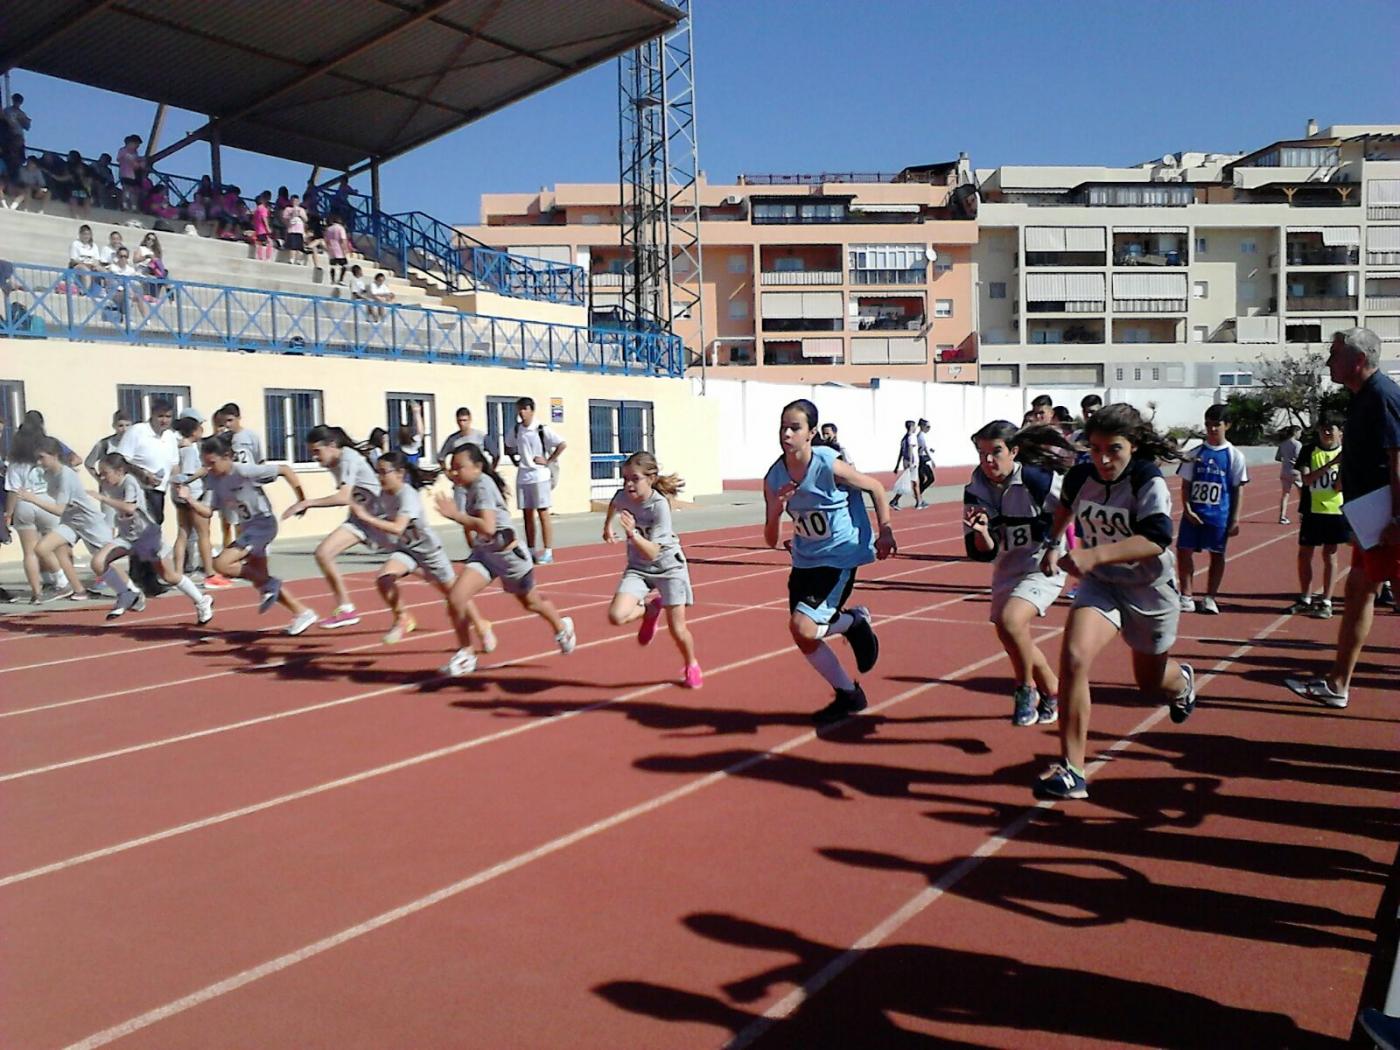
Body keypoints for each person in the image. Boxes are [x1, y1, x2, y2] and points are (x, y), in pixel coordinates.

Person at [1031, 403, 1197, 801]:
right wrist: (1053, 543)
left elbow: (1156, 538)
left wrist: (1094, 554)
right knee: (1074, 658)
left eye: (1114, 450)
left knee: (1150, 682)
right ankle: (1072, 770)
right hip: (1102, 585)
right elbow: (1064, 508)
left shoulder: (1146, 479)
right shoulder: (1081, 476)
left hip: (1148, 588)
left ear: (1133, 446)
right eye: (1095, 449)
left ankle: (1182, 684)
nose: (1103, 460)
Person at [1286, 328, 1400, 709]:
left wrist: (1398, 518)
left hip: (1387, 521)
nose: (1328, 361)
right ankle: (1338, 684)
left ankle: (1338, 683)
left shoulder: (1383, 396)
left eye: (1335, 354)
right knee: (1356, 592)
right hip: (1370, 519)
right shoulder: (1364, 397)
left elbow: (1398, 460)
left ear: (1358, 360)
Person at [764, 399, 896, 725]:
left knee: (803, 625)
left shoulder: (827, 465)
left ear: (811, 433)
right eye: (783, 427)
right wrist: (776, 510)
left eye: (795, 428)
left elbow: (876, 487)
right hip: (805, 560)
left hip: (839, 555)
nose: (786, 434)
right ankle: (849, 693)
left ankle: (854, 623)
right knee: (803, 635)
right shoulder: (774, 478)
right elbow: (769, 539)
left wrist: (885, 531)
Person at [433, 444, 576, 677]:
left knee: (531, 603)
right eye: (452, 468)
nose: (454, 472)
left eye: (459, 467)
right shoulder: (466, 487)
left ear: (478, 467)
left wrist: (456, 516)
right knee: (456, 598)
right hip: (485, 555)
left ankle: (562, 627)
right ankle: (466, 654)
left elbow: (488, 527)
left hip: (509, 557)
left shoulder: (483, 485)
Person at [963, 420, 1065, 727]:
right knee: (1010, 633)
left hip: (1041, 564)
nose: (988, 460)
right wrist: (982, 532)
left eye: (996, 452)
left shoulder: (1037, 478)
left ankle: (1025, 689)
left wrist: (1055, 546)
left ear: (1014, 452)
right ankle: (1053, 689)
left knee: (1011, 621)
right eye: (982, 453)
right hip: (1007, 566)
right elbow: (983, 552)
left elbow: (1070, 507)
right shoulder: (976, 489)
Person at [347, 452, 494, 648]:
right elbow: (381, 522)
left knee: (455, 594)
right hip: (407, 551)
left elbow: (398, 527)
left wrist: (366, 517)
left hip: (429, 552)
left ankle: (481, 625)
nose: (379, 477)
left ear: (399, 473)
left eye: (383, 472)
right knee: (384, 579)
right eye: (377, 472)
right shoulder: (383, 495)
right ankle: (403, 617)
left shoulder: (408, 495)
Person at [177, 434, 317, 636]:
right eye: (205, 464)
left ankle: (271, 584)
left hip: (263, 525)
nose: (209, 468)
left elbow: (285, 470)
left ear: (227, 456)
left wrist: (301, 500)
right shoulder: (215, 481)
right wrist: (189, 499)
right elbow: (207, 511)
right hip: (247, 527)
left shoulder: (244, 471)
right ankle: (302, 612)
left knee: (221, 564)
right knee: (261, 580)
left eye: (212, 463)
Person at [604, 451, 701, 688]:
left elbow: (653, 552)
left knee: (677, 629)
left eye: (634, 479)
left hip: (668, 567)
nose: (628, 484)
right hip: (638, 567)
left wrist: (631, 533)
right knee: (616, 616)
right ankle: (649, 610)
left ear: (651, 478)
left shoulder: (659, 506)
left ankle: (691, 664)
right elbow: (614, 504)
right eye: (625, 478)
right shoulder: (623, 496)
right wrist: (607, 526)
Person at [82, 452, 214, 623]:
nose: (102, 477)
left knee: (168, 575)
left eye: (105, 473)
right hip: (127, 536)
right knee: (98, 562)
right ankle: (127, 594)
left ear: (119, 471)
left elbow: (129, 508)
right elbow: (89, 467)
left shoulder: (129, 482)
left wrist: (101, 498)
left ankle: (202, 601)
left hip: (147, 536)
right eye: (100, 474)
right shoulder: (109, 483)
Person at [281, 424, 385, 628]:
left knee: (413, 563)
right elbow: (351, 496)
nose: (315, 457)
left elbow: (343, 497)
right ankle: (346, 608)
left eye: (317, 451)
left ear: (332, 445)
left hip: (380, 519)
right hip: (360, 519)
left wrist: (306, 503)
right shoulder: (334, 462)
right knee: (323, 553)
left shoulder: (348, 458)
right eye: (311, 453)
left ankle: (447, 588)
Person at [1175, 404, 1249, 615]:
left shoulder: (1234, 456)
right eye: (1208, 425)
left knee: (1217, 554)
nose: (1212, 429)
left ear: (1227, 425)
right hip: (1194, 513)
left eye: (1217, 425)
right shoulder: (1195, 453)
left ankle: (1210, 597)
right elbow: (1186, 484)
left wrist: (1235, 519)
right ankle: (1186, 596)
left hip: (1219, 515)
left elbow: (1238, 489)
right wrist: (1187, 509)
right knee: (1184, 551)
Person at [116, 399, 180, 595]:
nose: (164, 420)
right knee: (144, 534)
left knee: (152, 532)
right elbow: (121, 460)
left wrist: (179, 485)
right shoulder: (137, 431)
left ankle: (144, 577)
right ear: (151, 415)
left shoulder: (170, 436)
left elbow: (174, 465)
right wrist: (142, 473)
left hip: (159, 491)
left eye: (168, 416)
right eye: (160, 416)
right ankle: (144, 579)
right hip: (140, 490)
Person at [1289, 414, 1348, 619]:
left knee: (1330, 555)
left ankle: (1326, 601)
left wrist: (1341, 469)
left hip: (1335, 511)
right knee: (1305, 554)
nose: (1326, 432)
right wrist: (1331, 464)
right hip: (1311, 509)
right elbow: (1307, 479)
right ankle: (1305, 597)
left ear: (1340, 432)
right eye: (1323, 428)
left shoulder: (1347, 453)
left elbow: (1339, 486)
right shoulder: (1308, 451)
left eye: (1331, 428)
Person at [4, 420, 66, 601]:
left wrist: (8, 513)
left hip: (24, 504)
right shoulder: (44, 460)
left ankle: (36, 593)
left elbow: (13, 491)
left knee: (29, 552)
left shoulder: (15, 462)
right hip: (47, 502)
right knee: (53, 546)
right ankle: (61, 581)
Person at [170, 413, 228, 587]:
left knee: (183, 533)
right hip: (193, 494)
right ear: (193, 431)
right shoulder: (188, 450)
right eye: (199, 428)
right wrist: (202, 471)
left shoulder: (180, 447)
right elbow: (186, 475)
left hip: (180, 494)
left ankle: (178, 573)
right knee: (203, 534)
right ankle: (209, 573)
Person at [508, 397, 565, 564]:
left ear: (531, 410)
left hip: (540, 476)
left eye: (525, 408)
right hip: (523, 476)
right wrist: (514, 459)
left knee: (543, 513)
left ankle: (548, 551)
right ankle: (531, 550)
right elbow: (508, 445)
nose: (521, 412)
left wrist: (548, 460)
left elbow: (562, 443)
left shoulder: (541, 429)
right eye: (519, 409)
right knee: (527, 514)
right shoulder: (516, 429)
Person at [438, 406, 491, 511]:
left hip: (477, 479)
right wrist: (448, 473)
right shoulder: (453, 439)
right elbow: (441, 457)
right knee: (461, 512)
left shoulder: (480, 436)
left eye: (464, 420)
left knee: (480, 509)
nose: (462, 423)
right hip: (461, 482)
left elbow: (496, 454)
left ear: (470, 420)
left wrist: (490, 471)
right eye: (460, 421)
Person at [1275, 425, 1303, 524]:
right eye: (1300, 432)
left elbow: (1277, 458)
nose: (1300, 435)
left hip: (1285, 471)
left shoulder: (1282, 444)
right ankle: (1303, 515)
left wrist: (1286, 460)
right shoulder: (1297, 444)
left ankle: (1282, 516)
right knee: (1303, 495)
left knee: (1285, 494)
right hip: (1295, 472)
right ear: (1295, 432)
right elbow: (1299, 457)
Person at [68, 224, 104, 293]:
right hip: (77, 266)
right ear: (80, 234)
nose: (86, 236)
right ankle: (85, 291)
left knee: (103, 270)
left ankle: (106, 290)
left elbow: (97, 260)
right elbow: (73, 260)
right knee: (85, 270)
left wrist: (94, 265)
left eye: (88, 234)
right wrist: (85, 264)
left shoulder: (94, 246)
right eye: (84, 234)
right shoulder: (75, 244)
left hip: (91, 265)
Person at [891, 419, 918, 510]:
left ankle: (919, 500)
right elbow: (910, 450)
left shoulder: (904, 438)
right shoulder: (911, 437)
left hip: (905, 461)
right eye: (914, 426)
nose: (915, 428)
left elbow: (901, 452)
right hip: (910, 462)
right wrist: (911, 462)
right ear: (911, 427)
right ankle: (895, 500)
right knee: (908, 483)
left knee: (910, 482)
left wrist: (897, 465)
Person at [116, 134, 144, 212]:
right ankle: (124, 205)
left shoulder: (135, 152)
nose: (137, 146)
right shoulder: (123, 150)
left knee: (133, 191)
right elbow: (120, 159)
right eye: (136, 144)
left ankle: (133, 206)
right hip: (125, 173)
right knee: (126, 189)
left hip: (133, 174)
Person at [324, 214, 351, 285]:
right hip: (339, 249)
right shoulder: (340, 228)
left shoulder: (328, 229)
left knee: (333, 266)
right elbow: (343, 240)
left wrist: (328, 248)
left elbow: (326, 240)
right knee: (344, 265)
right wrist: (345, 249)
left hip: (331, 249)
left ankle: (332, 280)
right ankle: (341, 279)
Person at [282, 195, 308, 264]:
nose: (294, 202)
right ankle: (292, 259)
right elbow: (284, 218)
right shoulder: (288, 209)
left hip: (300, 230)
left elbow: (306, 219)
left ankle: (299, 260)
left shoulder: (301, 210)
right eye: (293, 201)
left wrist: (300, 215)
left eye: (296, 201)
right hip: (292, 229)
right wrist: (291, 215)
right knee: (292, 246)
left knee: (299, 246)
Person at [916, 418, 935, 508]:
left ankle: (919, 498)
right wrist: (932, 459)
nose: (929, 429)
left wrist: (930, 450)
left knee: (922, 479)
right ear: (922, 426)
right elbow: (924, 449)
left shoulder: (921, 436)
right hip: (922, 460)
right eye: (927, 427)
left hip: (922, 459)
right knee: (930, 478)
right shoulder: (921, 436)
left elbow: (924, 448)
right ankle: (918, 496)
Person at [251, 192, 274, 262]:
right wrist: (268, 228)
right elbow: (264, 219)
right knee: (270, 242)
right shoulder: (263, 209)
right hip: (263, 229)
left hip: (258, 229)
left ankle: (259, 257)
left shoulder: (257, 209)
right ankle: (268, 257)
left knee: (259, 243)